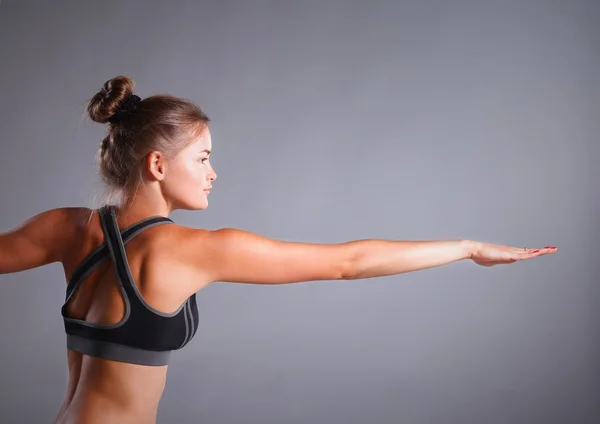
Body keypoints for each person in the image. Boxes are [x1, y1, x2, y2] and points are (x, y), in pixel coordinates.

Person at [0, 75, 557, 424]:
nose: (214, 174)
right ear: (157, 165)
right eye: (203, 159)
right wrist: (465, 247)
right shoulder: (191, 250)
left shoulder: (67, 229)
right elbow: (347, 263)